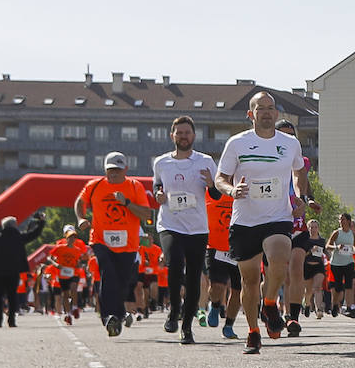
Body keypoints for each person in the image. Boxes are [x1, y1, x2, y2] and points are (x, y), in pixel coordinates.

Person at [215, 91, 308, 355]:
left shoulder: (290, 143)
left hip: (277, 216)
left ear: (277, 113)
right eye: (260, 108)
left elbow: (298, 171)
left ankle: (269, 304)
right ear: (250, 114)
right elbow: (220, 178)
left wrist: (300, 196)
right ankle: (253, 331)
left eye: (270, 108)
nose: (266, 112)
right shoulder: (237, 143)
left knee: (280, 258)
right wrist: (232, 191)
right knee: (250, 280)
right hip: (245, 220)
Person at [151, 115, 218, 345]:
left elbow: (217, 194)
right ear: (172, 136)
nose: (183, 136)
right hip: (170, 223)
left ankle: (187, 327)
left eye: (187, 133)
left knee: (193, 279)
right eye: (179, 133)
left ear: (194, 136)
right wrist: (158, 193)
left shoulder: (206, 161)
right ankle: (173, 312)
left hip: (197, 228)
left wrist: (211, 184)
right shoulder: (161, 162)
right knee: (175, 264)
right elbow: (157, 183)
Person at [75, 153, 153, 337]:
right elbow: (80, 201)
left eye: (117, 170)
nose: (113, 174)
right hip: (101, 240)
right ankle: (109, 316)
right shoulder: (94, 186)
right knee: (107, 273)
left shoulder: (135, 186)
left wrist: (126, 203)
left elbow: (146, 214)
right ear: (105, 170)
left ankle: (116, 317)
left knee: (122, 283)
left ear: (125, 169)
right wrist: (81, 219)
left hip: (128, 244)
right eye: (110, 170)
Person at [275, 118, 319, 337]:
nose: (287, 139)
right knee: (276, 274)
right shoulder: (267, 160)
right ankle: (271, 309)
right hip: (273, 222)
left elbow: (303, 182)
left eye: (291, 136)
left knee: (295, 270)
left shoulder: (303, 161)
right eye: (282, 135)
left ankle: (293, 316)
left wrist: (309, 200)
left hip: (298, 223)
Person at [0, 214, 46, 327]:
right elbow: (34, 234)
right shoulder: (18, 237)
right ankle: (11, 321)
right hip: (13, 272)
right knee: (12, 296)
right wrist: (41, 223)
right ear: (14, 226)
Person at [203, 186, 241, 338]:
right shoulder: (210, 193)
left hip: (238, 248)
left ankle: (229, 325)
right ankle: (215, 305)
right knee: (217, 286)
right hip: (215, 247)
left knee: (238, 290)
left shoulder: (242, 193)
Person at [325, 213, 355, 318]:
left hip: (349, 262)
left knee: (349, 285)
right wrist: (337, 247)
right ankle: (335, 305)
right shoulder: (337, 233)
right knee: (338, 287)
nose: (341, 221)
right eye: (340, 219)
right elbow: (327, 246)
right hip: (336, 263)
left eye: (343, 219)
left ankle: (350, 308)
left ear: (348, 221)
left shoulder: (352, 234)